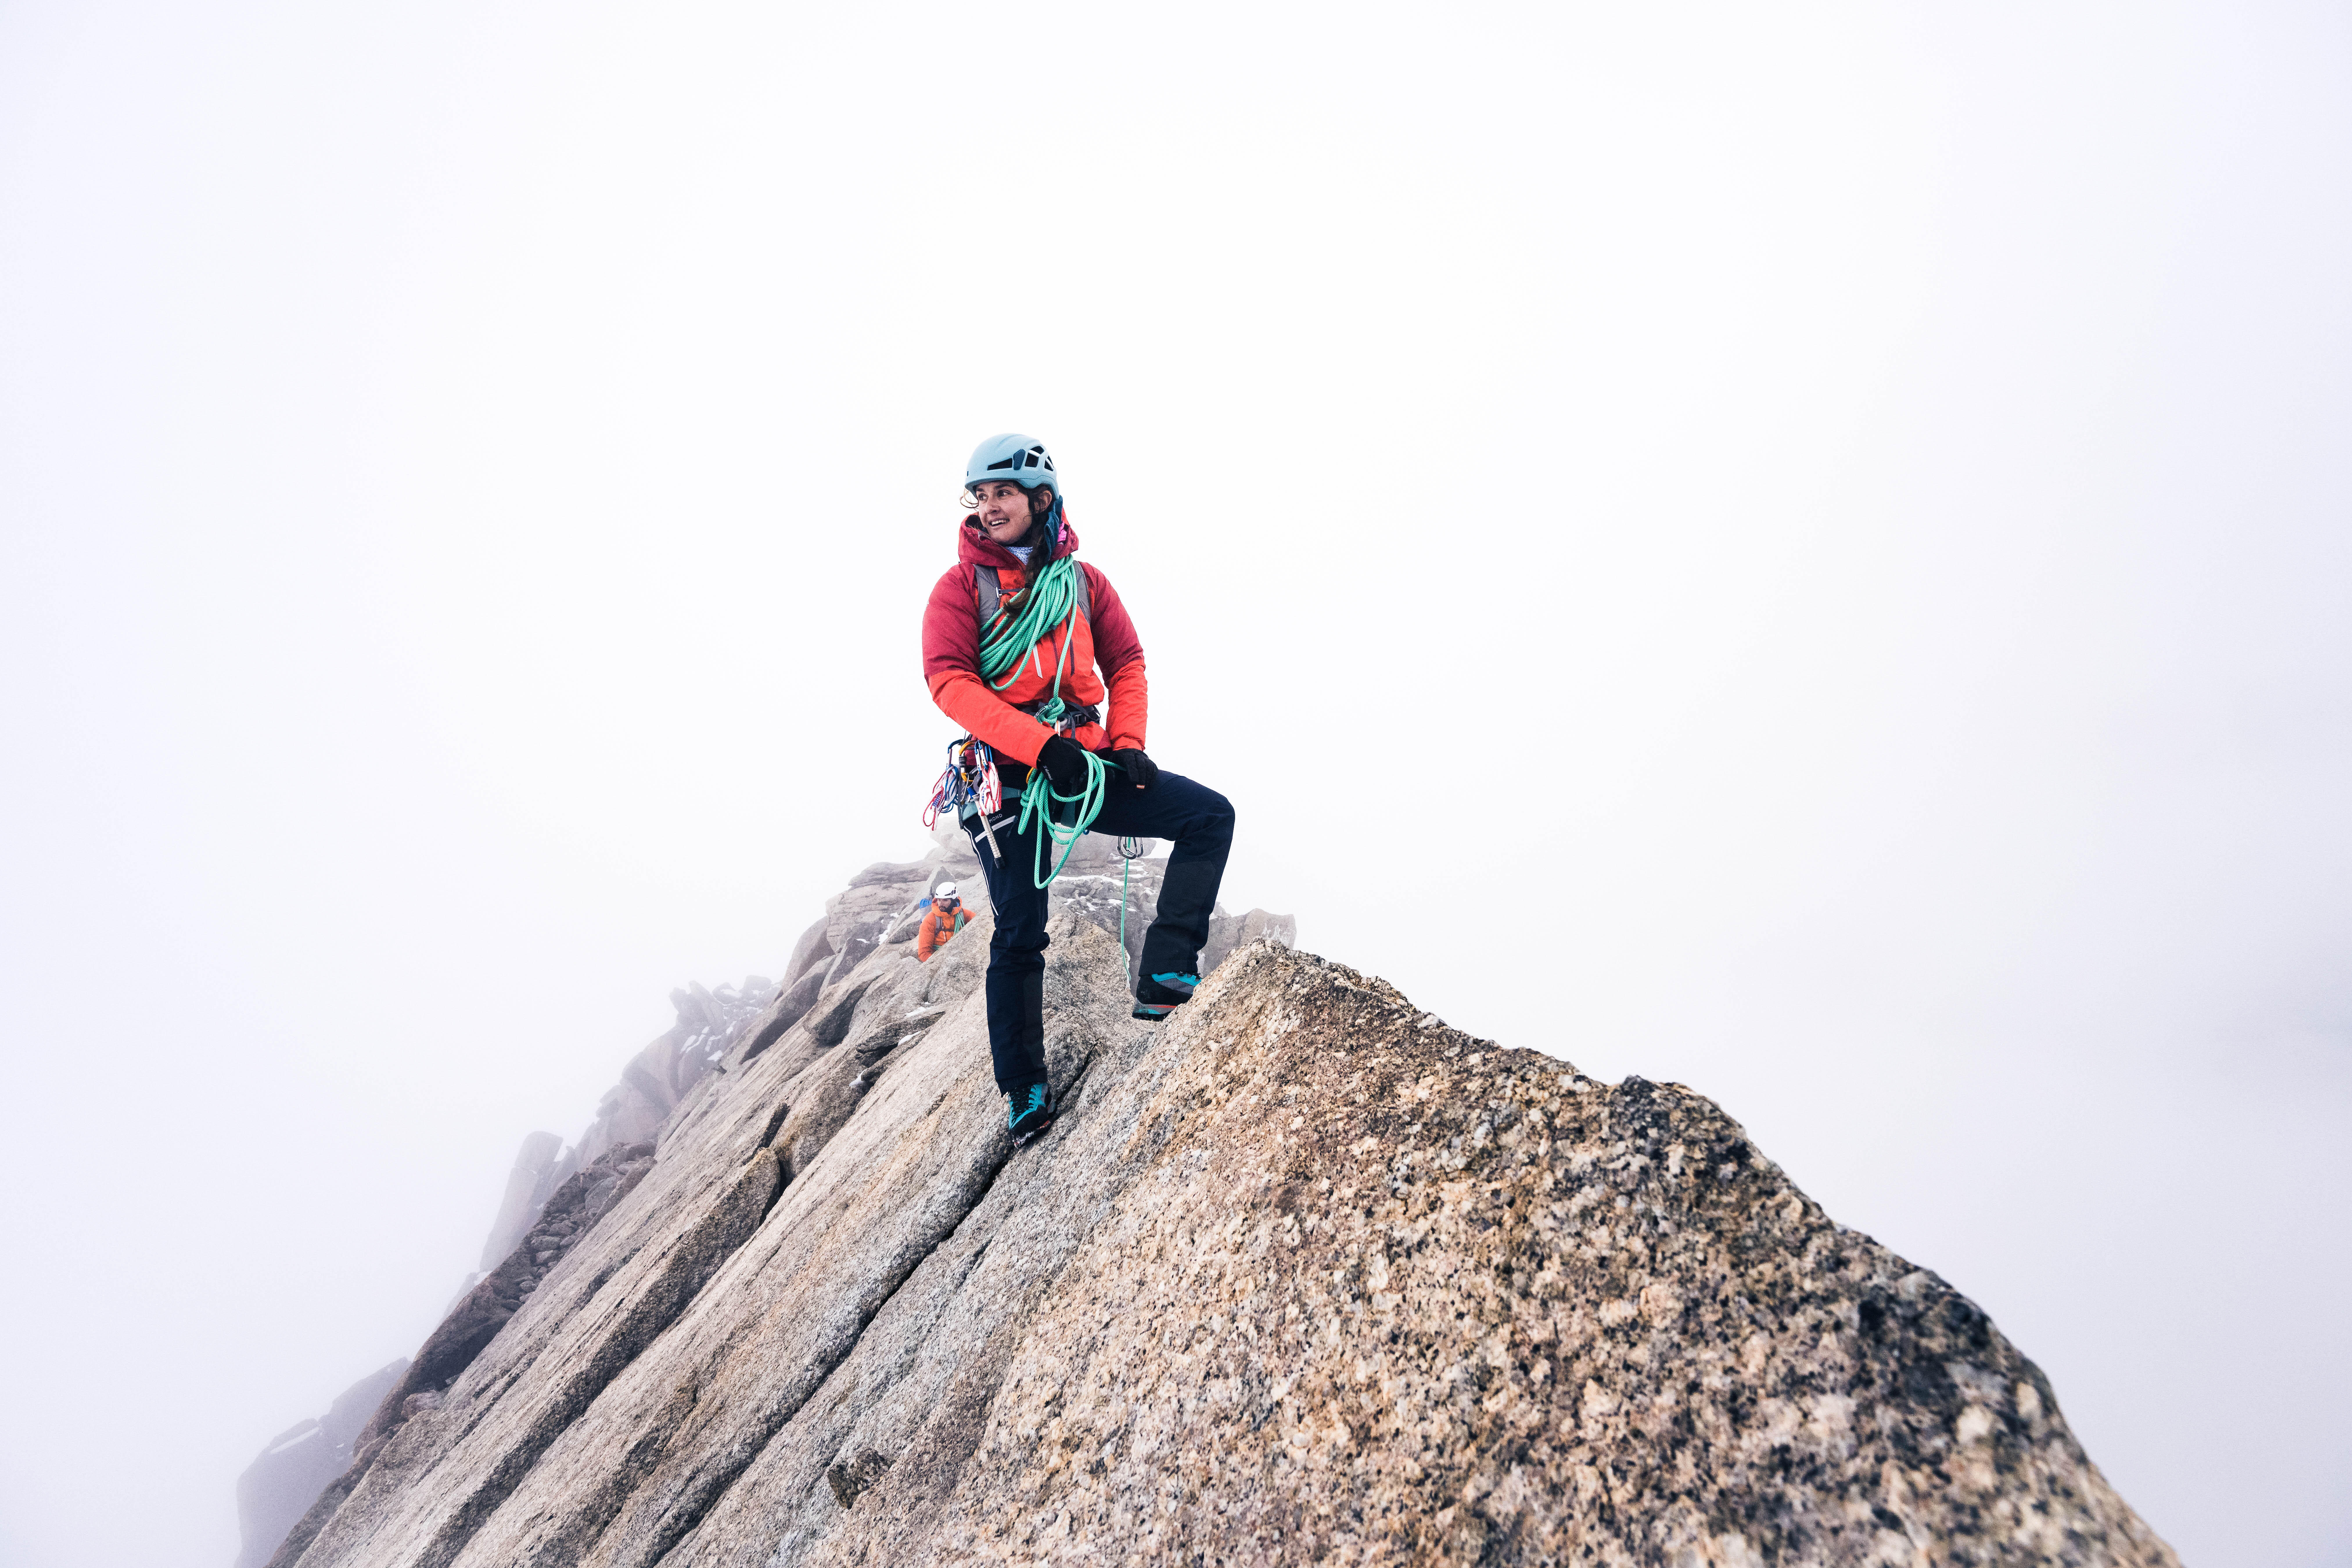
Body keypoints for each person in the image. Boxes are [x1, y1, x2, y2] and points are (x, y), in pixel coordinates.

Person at [922, 434, 1235, 1140]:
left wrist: (1128, 744)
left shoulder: (1085, 583)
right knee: (1020, 928)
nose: (989, 506)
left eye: (1003, 493)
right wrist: (1038, 746)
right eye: (981, 495)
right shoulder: (959, 588)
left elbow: (1126, 661)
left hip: (1084, 760)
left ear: (1041, 500)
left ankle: (1165, 975)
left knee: (1208, 817)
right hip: (1005, 773)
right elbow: (949, 682)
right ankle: (1023, 1089)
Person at [914, 883, 969, 962]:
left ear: (954, 900)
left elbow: (980, 923)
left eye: (945, 900)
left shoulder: (962, 914)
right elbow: (924, 953)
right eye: (939, 900)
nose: (941, 904)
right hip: (939, 960)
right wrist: (939, 964)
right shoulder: (931, 919)